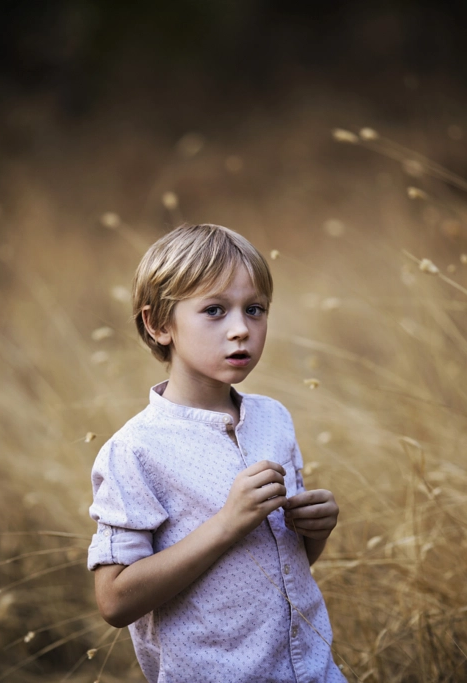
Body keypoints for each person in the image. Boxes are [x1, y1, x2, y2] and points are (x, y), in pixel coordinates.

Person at [86, 223, 346, 682]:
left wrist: (315, 529)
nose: (241, 329)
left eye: (255, 309)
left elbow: (285, 564)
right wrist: (226, 524)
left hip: (312, 671)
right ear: (158, 324)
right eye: (214, 310)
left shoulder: (273, 419)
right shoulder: (136, 449)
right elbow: (114, 601)